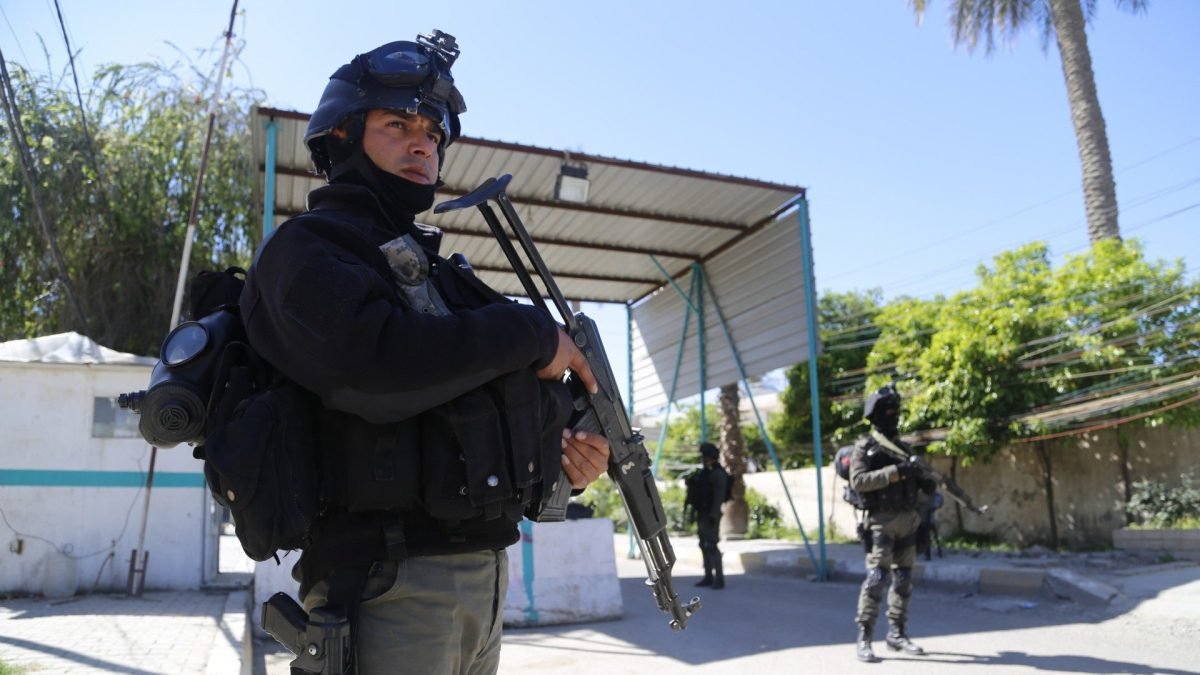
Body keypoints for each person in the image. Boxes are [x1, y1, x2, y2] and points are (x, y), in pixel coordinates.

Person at [240, 31, 610, 675]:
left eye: (433, 133)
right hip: (385, 585)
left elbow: (484, 395)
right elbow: (375, 371)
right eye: (397, 124)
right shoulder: (306, 251)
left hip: (481, 582)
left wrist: (562, 455)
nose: (422, 143)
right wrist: (526, 333)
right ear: (343, 137)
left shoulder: (437, 272)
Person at [849, 384, 936, 663]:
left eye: (895, 411)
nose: (893, 415)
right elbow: (859, 481)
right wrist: (896, 472)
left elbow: (926, 487)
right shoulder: (865, 447)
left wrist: (924, 480)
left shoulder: (904, 448)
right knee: (877, 578)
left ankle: (897, 633)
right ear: (875, 414)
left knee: (904, 579)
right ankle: (865, 637)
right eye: (887, 411)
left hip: (908, 519)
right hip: (881, 520)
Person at [688, 442, 730, 589]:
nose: (703, 459)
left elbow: (718, 496)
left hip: (711, 514)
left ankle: (719, 578)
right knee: (703, 544)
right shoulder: (706, 472)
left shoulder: (718, 474)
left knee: (712, 545)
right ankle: (708, 576)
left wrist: (713, 514)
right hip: (702, 512)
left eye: (705, 456)